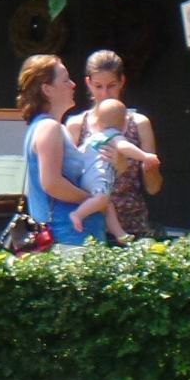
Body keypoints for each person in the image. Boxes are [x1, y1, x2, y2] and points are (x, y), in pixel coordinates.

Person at [17, 54, 116, 248]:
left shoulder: (50, 127)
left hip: (70, 236)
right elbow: (52, 183)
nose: (73, 84)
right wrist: (93, 201)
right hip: (67, 238)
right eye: (65, 80)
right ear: (47, 89)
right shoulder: (49, 128)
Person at [66, 49, 162, 238]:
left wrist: (147, 167)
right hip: (89, 224)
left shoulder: (139, 123)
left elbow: (153, 187)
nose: (105, 93)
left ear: (122, 82)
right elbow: (68, 179)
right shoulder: (77, 124)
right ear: (88, 84)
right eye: (98, 86)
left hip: (132, 224)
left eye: (111, 86)